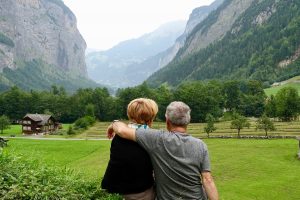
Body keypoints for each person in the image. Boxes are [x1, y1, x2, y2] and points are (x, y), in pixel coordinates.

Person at [107, 101, 219, 200]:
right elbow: (208, 180)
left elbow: (122, 130)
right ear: (188, 121)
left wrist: (114, 123)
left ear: (167, 121)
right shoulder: (200, 145)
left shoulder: (157, 138)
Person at [102, 98, 158, 200]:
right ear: (151, 117)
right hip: (142, 191)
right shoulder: (152, 138)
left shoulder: (118, 136)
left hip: (121, 189)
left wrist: (114, 123)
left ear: (129, 114)